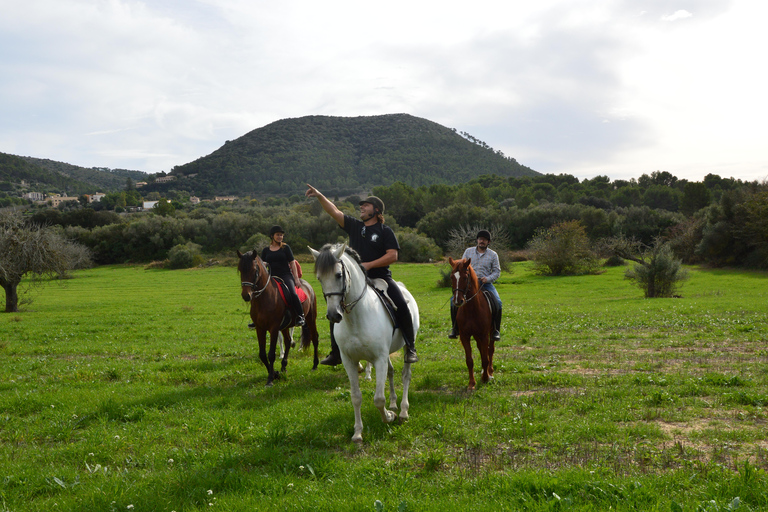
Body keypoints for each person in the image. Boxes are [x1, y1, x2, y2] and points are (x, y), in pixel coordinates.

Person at [305, 184, 418, 364]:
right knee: (336, 307)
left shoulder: (385, 231)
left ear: (376, 210)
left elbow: (393, 255)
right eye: (361, 206)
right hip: (356, 280)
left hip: (381, 278)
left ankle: (410, 348)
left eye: (366, 205)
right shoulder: (355, 226)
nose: (361, 207)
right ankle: (336, 352)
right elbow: (334, 211)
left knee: (401, 304)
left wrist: (369, 265)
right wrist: (319, 196)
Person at [448, 229, 503, 341]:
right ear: (477, 240)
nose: (482, 241)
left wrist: (487, 279)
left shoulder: (493, 255)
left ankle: (496, 330)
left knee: (498, 302)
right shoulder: (468, 251)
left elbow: (497, 271)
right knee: (453, 302)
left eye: (484, 240)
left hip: (485, 284)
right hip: (468, 284)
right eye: (480, 239)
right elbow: (460, 266)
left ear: (488, 242)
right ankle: (455, 328)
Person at [259, 225, 305, 327]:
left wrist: (296, 279)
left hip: (285, 276)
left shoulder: (286, 248)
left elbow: (292, 263)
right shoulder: (266, 250)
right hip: (271, 277)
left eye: (281, 235)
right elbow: (262, 264)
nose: (280, 237)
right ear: (272, 236)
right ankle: (257, 318)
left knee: (292, 293)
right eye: (277, 235)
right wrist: (264, 264)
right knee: (260, 294)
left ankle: (300, 316)